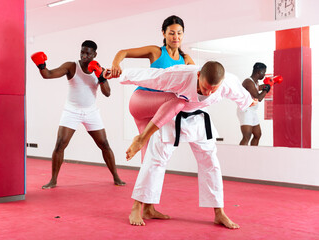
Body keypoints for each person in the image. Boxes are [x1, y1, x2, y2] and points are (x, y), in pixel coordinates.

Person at [106, 62, 254, 229]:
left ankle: (219, 213)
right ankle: (137, 208)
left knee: (211, 163)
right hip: (171, 116)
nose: (208, 93)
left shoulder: (228, 82)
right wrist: (120, 74)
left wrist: (249, 102)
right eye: (205, 88)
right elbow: (151, 76)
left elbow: (241, 95)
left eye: (213, 90)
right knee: (155, 160)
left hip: (199, 118)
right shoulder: (180, 75)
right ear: (198, 76)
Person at [30, 40, 125, 188]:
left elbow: (107, 93)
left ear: (94, 54)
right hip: (71, 111)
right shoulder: (71, 66)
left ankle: (116, 177)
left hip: (91, 112)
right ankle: (53, 180)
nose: (84, 55)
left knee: (104, 144)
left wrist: (100, 76)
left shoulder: (100, 69)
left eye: (88, 53)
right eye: (82, 52)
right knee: (60, 144)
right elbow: (48, 75)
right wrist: (41, 65)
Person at [111, 15, 195, 162]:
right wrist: (116, 65)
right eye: (171, 33)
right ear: (163, 33)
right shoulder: (156, 52)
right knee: (178, 101)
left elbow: (197, 79)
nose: (176, 37)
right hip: (140, 100)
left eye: (179, 33)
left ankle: (144, 183)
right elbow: (123, 52)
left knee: (149, 156)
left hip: (157, 110)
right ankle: (141, 139)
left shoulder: (185, 59)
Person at [237, 62, 270, 146]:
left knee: (257, 134)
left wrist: (269, 84)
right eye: (264, 72)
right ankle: (241, 156)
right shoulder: (248, 82)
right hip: (246, 110)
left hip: (252, 111)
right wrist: (266, 90)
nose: (264, 75)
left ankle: (252, 154)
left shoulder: (255, 82)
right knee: (246, 136)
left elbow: (257, 88)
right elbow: (258, 98)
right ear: (259, 72)